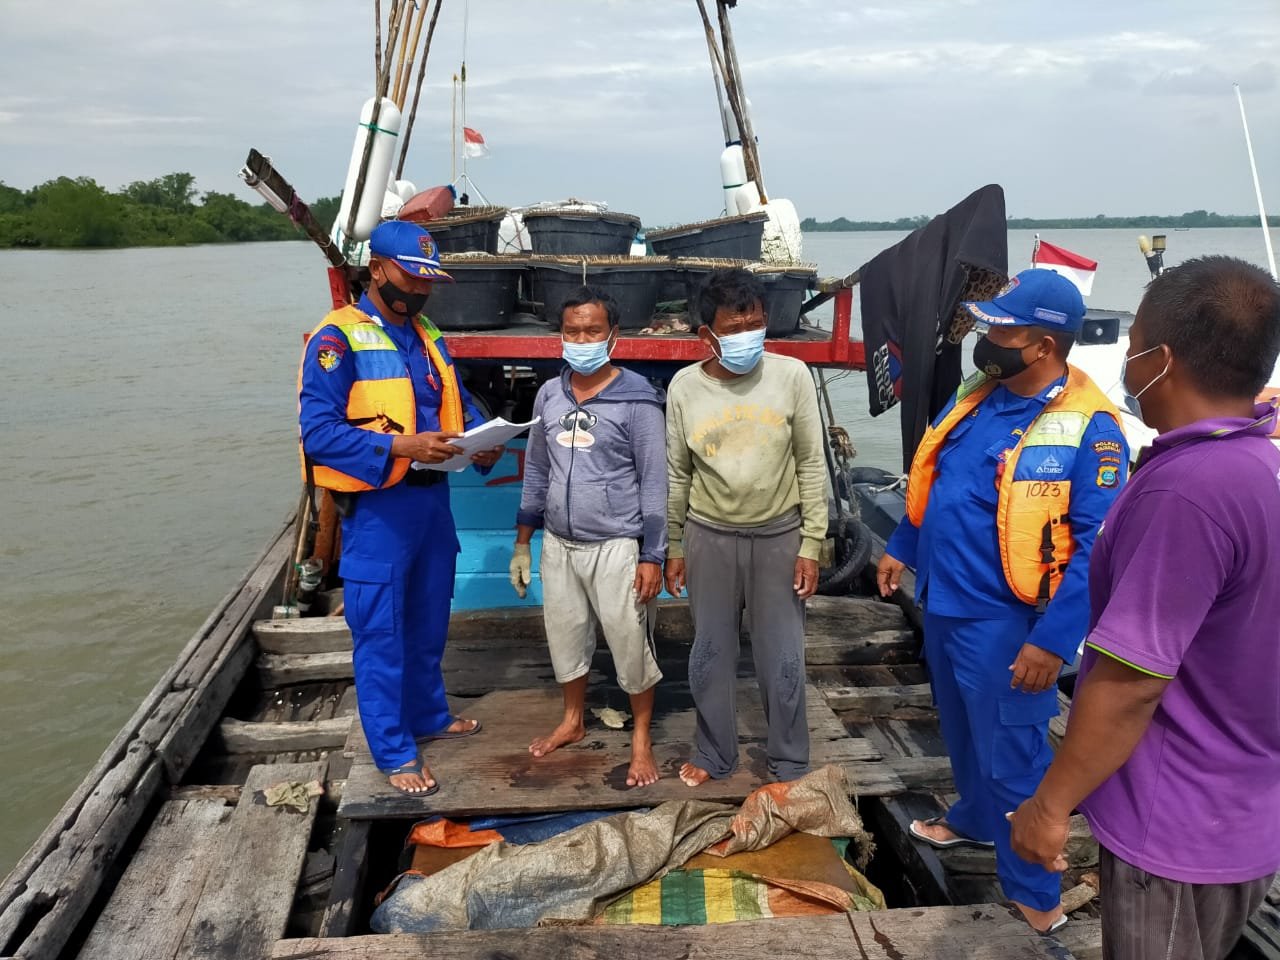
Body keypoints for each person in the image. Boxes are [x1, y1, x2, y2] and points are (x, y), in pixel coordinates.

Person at [1009, 256, 1280, 959]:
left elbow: (1131, 681)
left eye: (1132, 349)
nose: (1127, 366)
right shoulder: (1261, 465)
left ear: (1161, 360)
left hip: (1174, 821)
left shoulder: (1186, 492)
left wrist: (1049, 805)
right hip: (1248, 808)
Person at [876, 268, 1128, 933]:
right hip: (943, 602)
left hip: (1007, 623)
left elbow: (1097, 549)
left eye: (1003, 329)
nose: (986, 339)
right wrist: (901, 543)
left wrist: (1051, 641)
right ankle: (975, 819)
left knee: (1014, 755)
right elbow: (940, 481)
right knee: (961, 731)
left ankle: (1036, 901)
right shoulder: (980, 393)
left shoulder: (1092, 430)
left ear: (1044, 345)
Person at [298, 220, 503, 797]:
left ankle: (430, 715)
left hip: (432, 502)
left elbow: (452, 402)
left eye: (428, 282)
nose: (419, 291)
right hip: (378, 510)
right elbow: (318, 434)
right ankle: (393, 750)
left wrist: (479, 441)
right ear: (377, 269)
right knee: (381, 632)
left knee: (428, 621)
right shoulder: (337, 339)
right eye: (410, 279)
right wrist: (401, 447)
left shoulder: (428, 333)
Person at [664, 267, 826, 788]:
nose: (747, 336)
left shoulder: (792, 375)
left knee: (783, 657)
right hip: (708, 534)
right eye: (734, 329)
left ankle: (789, 759)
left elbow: (811, 462)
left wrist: (812, 543)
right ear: (706, 335)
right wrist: (673, 545)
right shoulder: (684, 388)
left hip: (780, 535)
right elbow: (677, 473)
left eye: (755, 324)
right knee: (710, 653)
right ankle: (714, 752)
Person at [508, 286, 667, 788]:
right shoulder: (548, 395)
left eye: (592, 331)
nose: (581, 340)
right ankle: (573, 721)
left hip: (617, 544)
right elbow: (536, 469)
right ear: (560, 335)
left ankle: (641, 738)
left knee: (630, 644)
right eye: (572, 331)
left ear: (612, 335)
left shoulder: (638, 399)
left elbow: (654, 482)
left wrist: (653, 555)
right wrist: (522, 541)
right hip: (559, 542)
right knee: (566, 636)